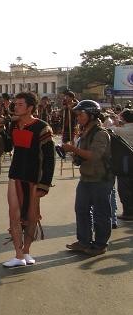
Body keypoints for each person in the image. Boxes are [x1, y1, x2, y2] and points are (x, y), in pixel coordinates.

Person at [2, 92, 55, 268]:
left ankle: (26, 251)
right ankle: (18, 255)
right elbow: (7, 147)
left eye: (19, 104)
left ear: (30, 107)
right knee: (13, 215)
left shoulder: (42, 127)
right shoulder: (13, 125)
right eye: (15, 104)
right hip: (15, 174)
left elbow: (49, 159)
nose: (15, 107)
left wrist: (44, 184)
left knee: (32, 217)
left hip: (34, 177)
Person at [63, 100, 115, 256]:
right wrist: (74, 153)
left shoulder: (100, 133)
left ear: (91, 115)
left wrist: (73, 149)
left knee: (101, 214)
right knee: (81, 210)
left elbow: (94, 156)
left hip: (101, 179)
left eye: (81, 114)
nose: (78, 117)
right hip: (86, 178)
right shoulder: (85, 132)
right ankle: (84, 241)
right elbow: (83, 155)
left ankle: (100, 245)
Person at [114, 109, 133, 221]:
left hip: (126, 159)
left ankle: (128, 212)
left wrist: (116, 122)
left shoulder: (121, 130)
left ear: (124, 119)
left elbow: (108, 129)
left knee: (124, 185)